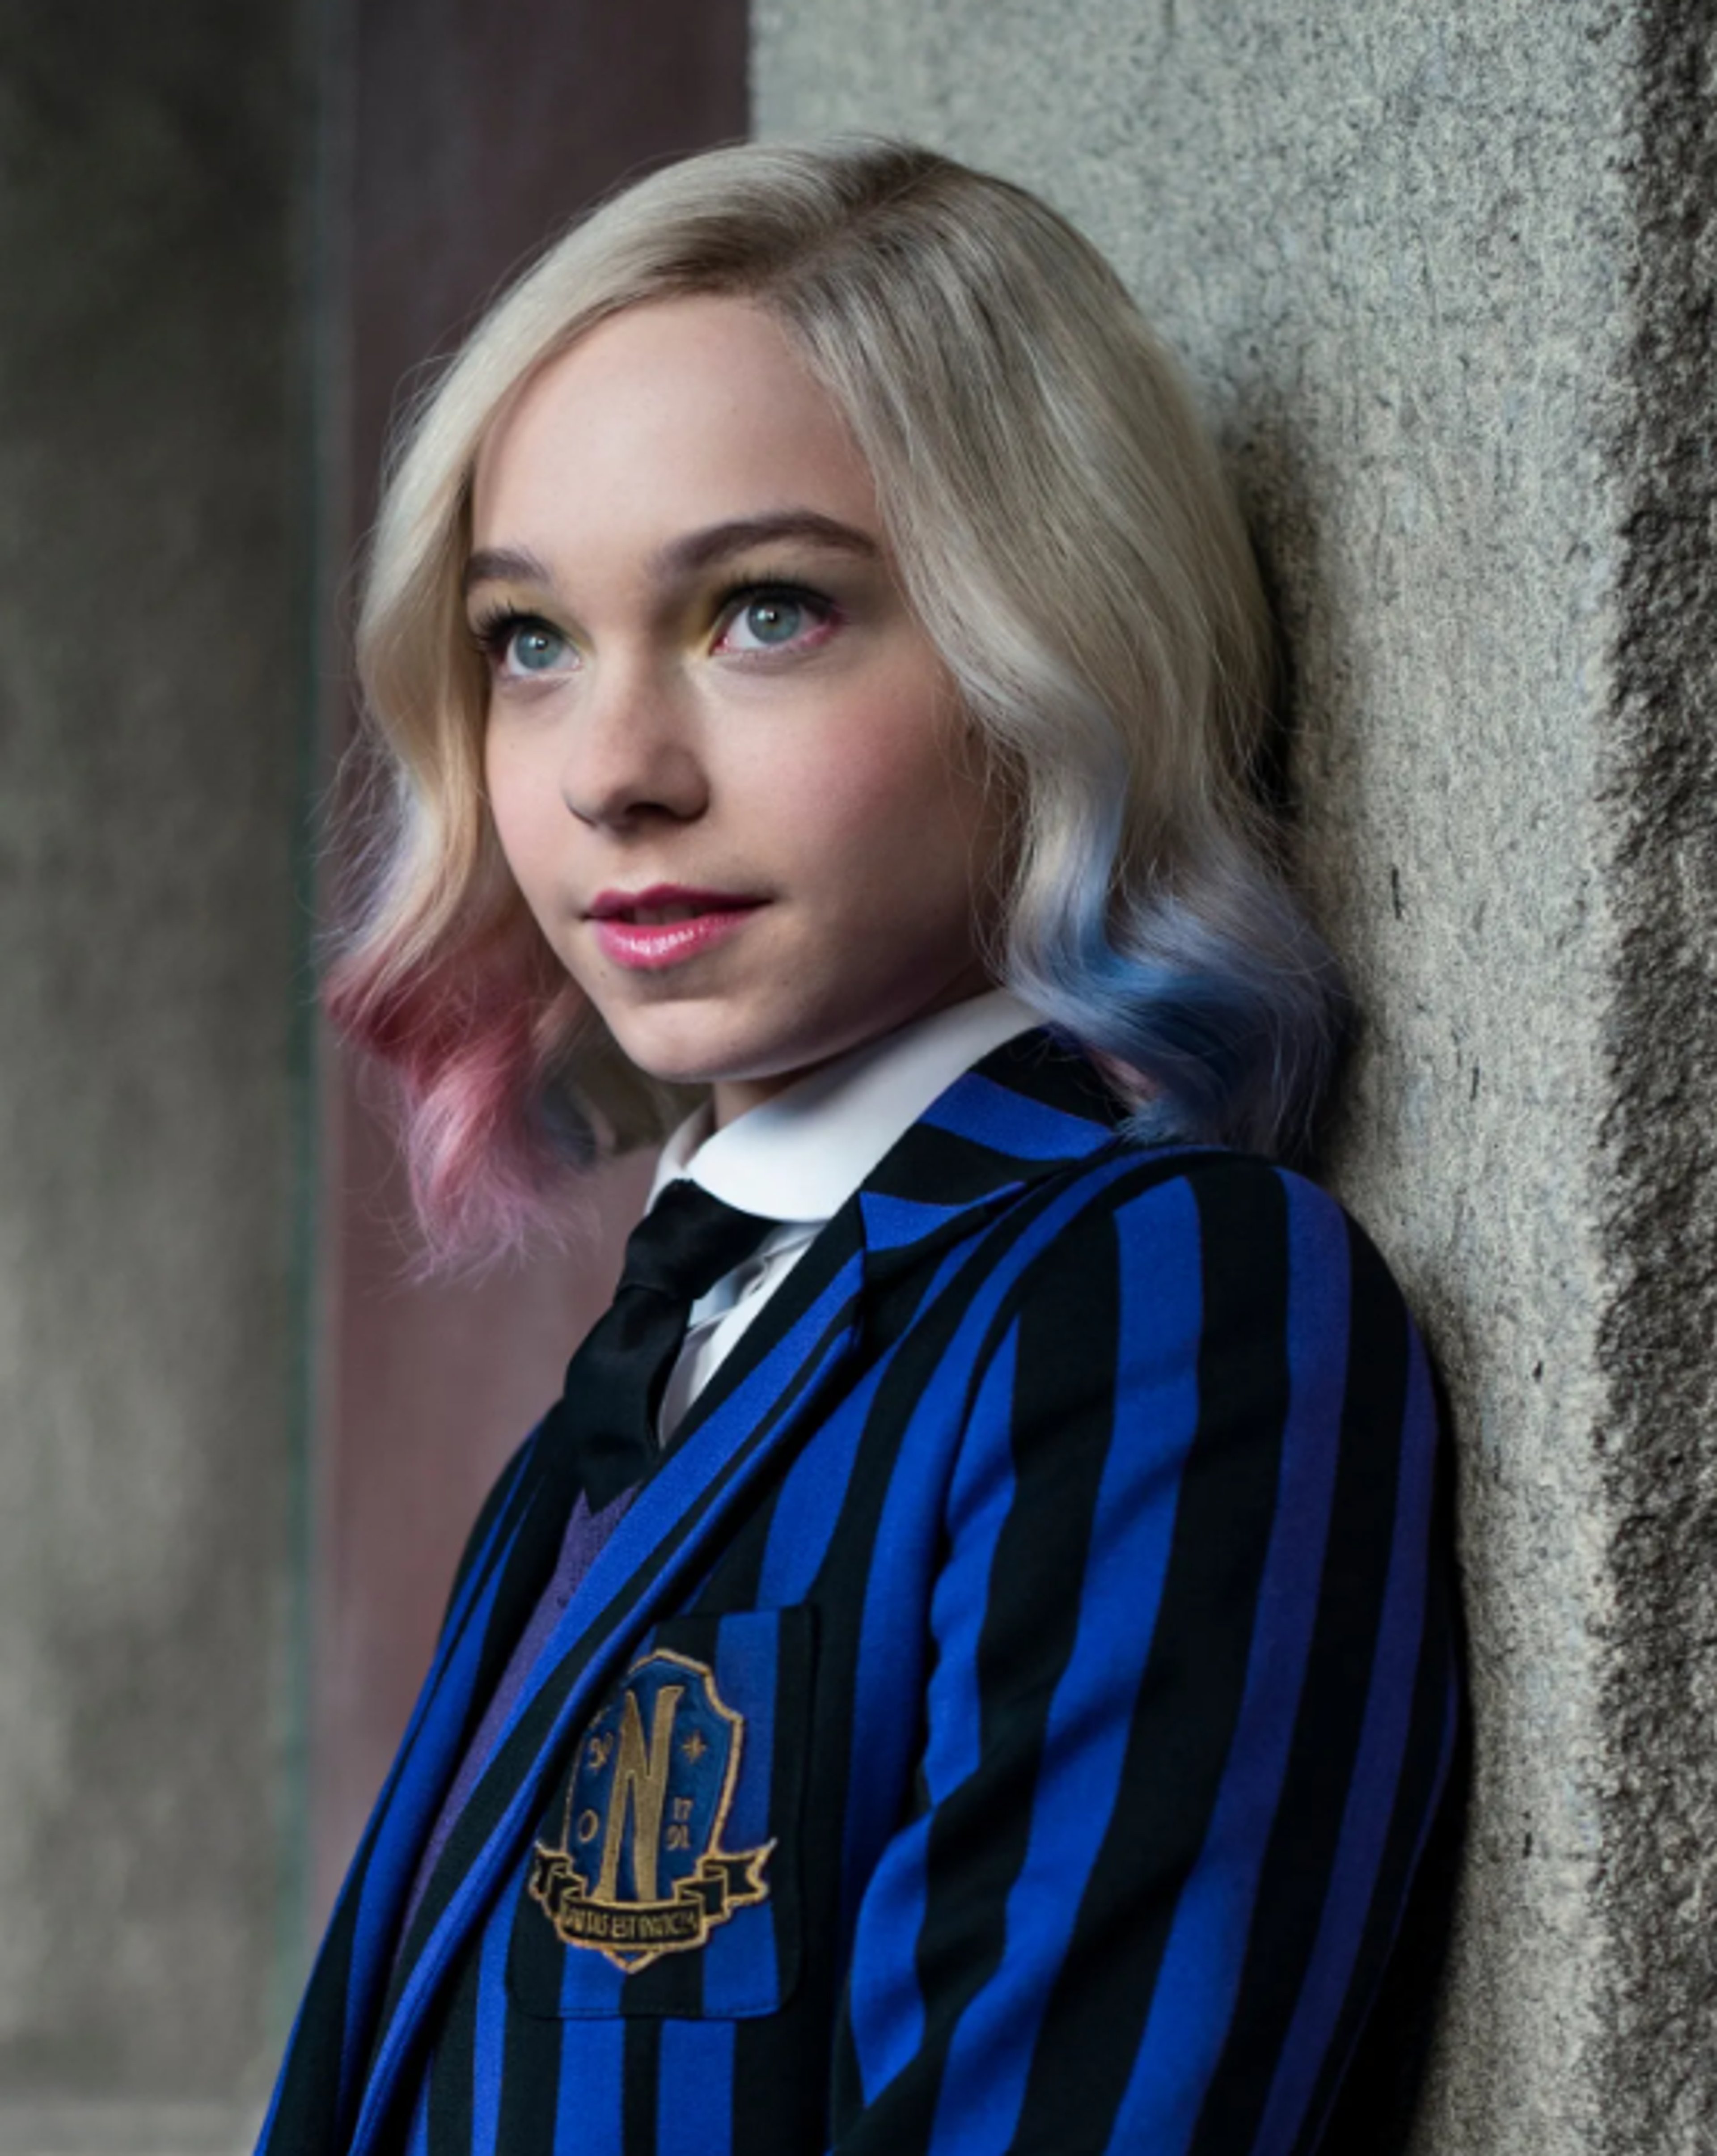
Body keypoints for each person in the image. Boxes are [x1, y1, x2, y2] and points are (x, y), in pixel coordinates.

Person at [258, 139, 1459, 2156]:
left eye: (765, 612)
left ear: (1041, 656)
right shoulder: (659, 1357)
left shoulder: (1156, 1303)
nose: (615, 776)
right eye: (528, 641)